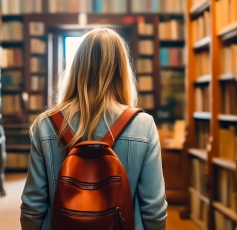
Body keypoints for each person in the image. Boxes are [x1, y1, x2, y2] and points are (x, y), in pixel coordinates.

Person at [20, 27, 167, 230]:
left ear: (77, 67)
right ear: (122, 70)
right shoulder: (143, 125)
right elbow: (154, 210)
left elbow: (32, 207)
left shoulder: (45, 125)